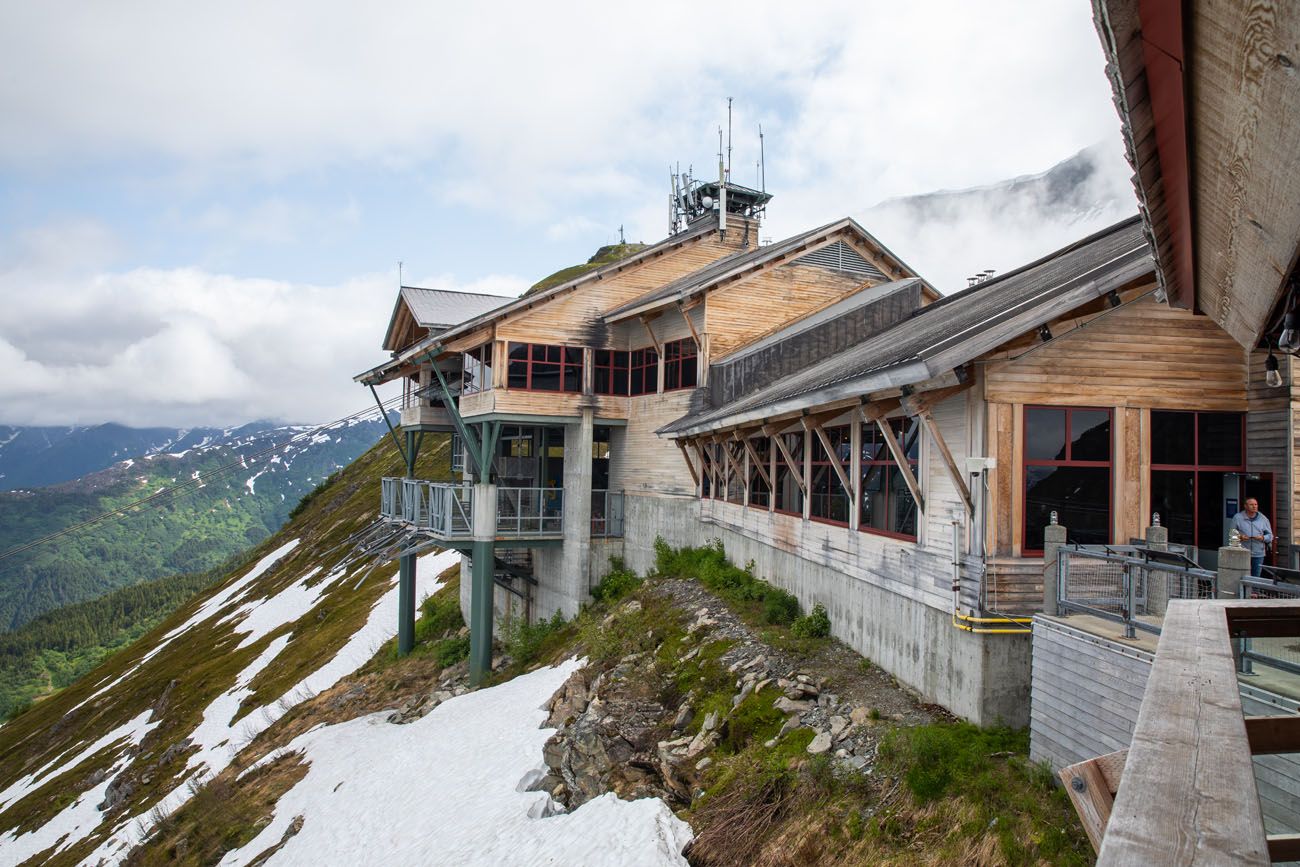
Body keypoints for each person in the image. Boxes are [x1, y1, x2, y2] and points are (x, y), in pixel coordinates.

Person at [1232, 497, 1273, 577]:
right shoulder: (1237, 518)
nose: (1254, 506)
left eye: (1256, 504)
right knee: (1242, 576)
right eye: (1251, 505)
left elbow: (1270, 536)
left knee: (1256, 577)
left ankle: (1255, 590)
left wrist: (1263, 538)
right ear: (1245, 506)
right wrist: (1240, 537)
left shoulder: (1263, 519)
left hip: (1258, 553)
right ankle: (1243, 590)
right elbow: (1232, 535)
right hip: (1242, 553)